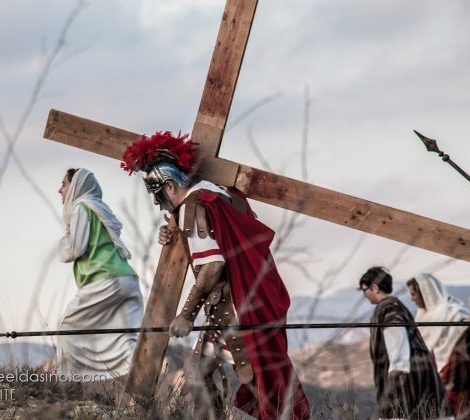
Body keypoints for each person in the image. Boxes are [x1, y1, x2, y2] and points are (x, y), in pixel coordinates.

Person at [121, 131, 310, 419]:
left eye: (157, 193)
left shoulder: (193, 208)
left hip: (232, 311)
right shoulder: (219, 194)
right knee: (201, 373)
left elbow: (213, 265)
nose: (157, 202)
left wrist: (186, 314)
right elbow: (218, 233)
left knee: (260, 383)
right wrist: (172, 226)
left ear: (169, 186)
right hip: (244, 300)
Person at [56, 168, 144, 381]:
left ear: (76, 186)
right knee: (124, 339)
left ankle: (67, 382)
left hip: (104, 279)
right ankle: (143, 385)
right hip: (127, 279)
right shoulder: (99, 208)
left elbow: (75, 249)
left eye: (64, 184)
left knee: (66, 326)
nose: (60, 190)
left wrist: (63, 242)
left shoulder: (81, 209)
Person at [359, 267, 450, 419]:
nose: (364, 295)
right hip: (407, 375)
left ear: (374, 288)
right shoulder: (393, 306)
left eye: (365, 290)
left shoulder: (388, 307)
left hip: (404, 378)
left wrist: (396, 377)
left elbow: (397, 341)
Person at [406, 274, 469, 382]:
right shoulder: (422, 317)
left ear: (425, 293)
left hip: (458, 374)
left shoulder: (454, 314)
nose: (411, 299)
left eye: (413, 294)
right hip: (433, 376)